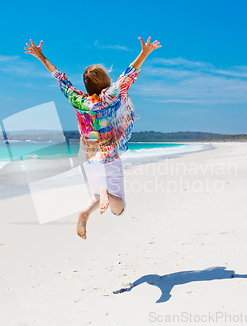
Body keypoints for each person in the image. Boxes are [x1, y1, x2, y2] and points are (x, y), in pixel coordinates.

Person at [25, 37, 161, 239]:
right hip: (108, 158)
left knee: (96, 195)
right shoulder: (111, 95)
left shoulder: (79, 101)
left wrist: (40, 56)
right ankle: (106, 194)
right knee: (119, 207)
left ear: (87, 86)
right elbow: (128, 75)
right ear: (104, 80)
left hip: (87, 159)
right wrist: (145, 52)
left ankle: (85, 213)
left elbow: (61, 80)